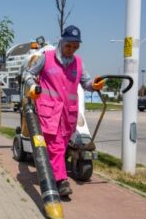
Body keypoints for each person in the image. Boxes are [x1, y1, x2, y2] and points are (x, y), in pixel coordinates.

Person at [23, 25, 104, 196]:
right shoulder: (47, 57)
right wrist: (33, 86)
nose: (71, 50)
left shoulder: (78, 63)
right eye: (69, 46)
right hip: (49, 111)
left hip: (69, 114)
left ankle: (50, 173)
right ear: (61, 42)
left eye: (75, 47)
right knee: (56, 146)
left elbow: (86, 82)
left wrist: (94, 85)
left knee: (61, 145)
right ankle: (61, 181)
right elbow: (28, 74)